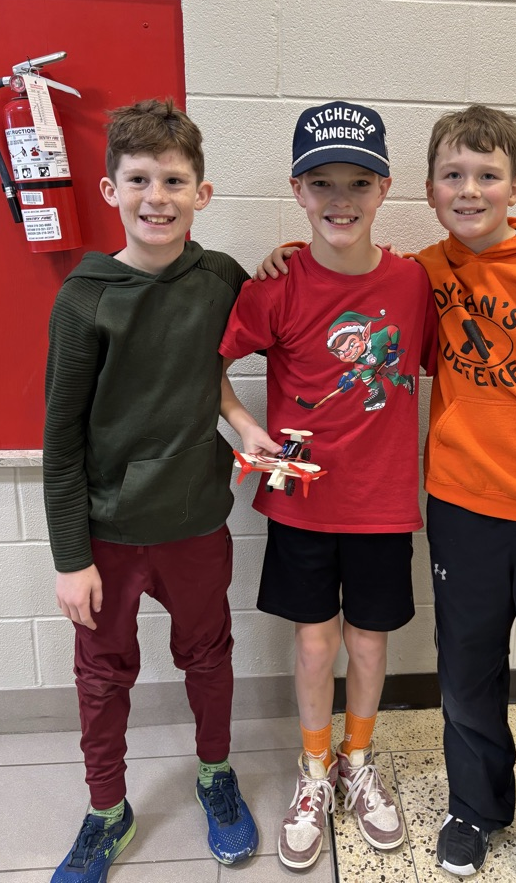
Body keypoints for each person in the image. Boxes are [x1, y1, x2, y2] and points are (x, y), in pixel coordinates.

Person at [259, 104, 516, 883]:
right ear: (428, 191)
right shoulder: (425, 274)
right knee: (466, 679)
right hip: (462, 512)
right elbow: (356, 286)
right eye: (453, 176)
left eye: (487, 176)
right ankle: (475, 810)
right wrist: (287, 260)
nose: (470, 191)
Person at [44, 98, 277, 882]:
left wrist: (242, 419)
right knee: (103, 677)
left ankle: (216, 774)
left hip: (192, 525)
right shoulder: (83, 299)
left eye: (174, 180)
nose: (157, 197)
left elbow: (215, 364)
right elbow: (61, 441)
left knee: (207, 656)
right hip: (107, 535)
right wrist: (71, 557)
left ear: (201, 194)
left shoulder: (221, 279)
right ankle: (106, 808)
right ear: (110, 189)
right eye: (138, 179)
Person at [218, 101, 438, 870]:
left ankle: (357, 760)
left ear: (383, 191)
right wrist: (246, 428)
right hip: (304, 501)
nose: (340, 199)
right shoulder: (273, 287)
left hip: (381, 503)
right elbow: (210, 368)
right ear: (298, 191)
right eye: (322, 183)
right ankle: (314, 772)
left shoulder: (415, 284)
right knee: (314, 642)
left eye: (358, 181)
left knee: (369, 640)